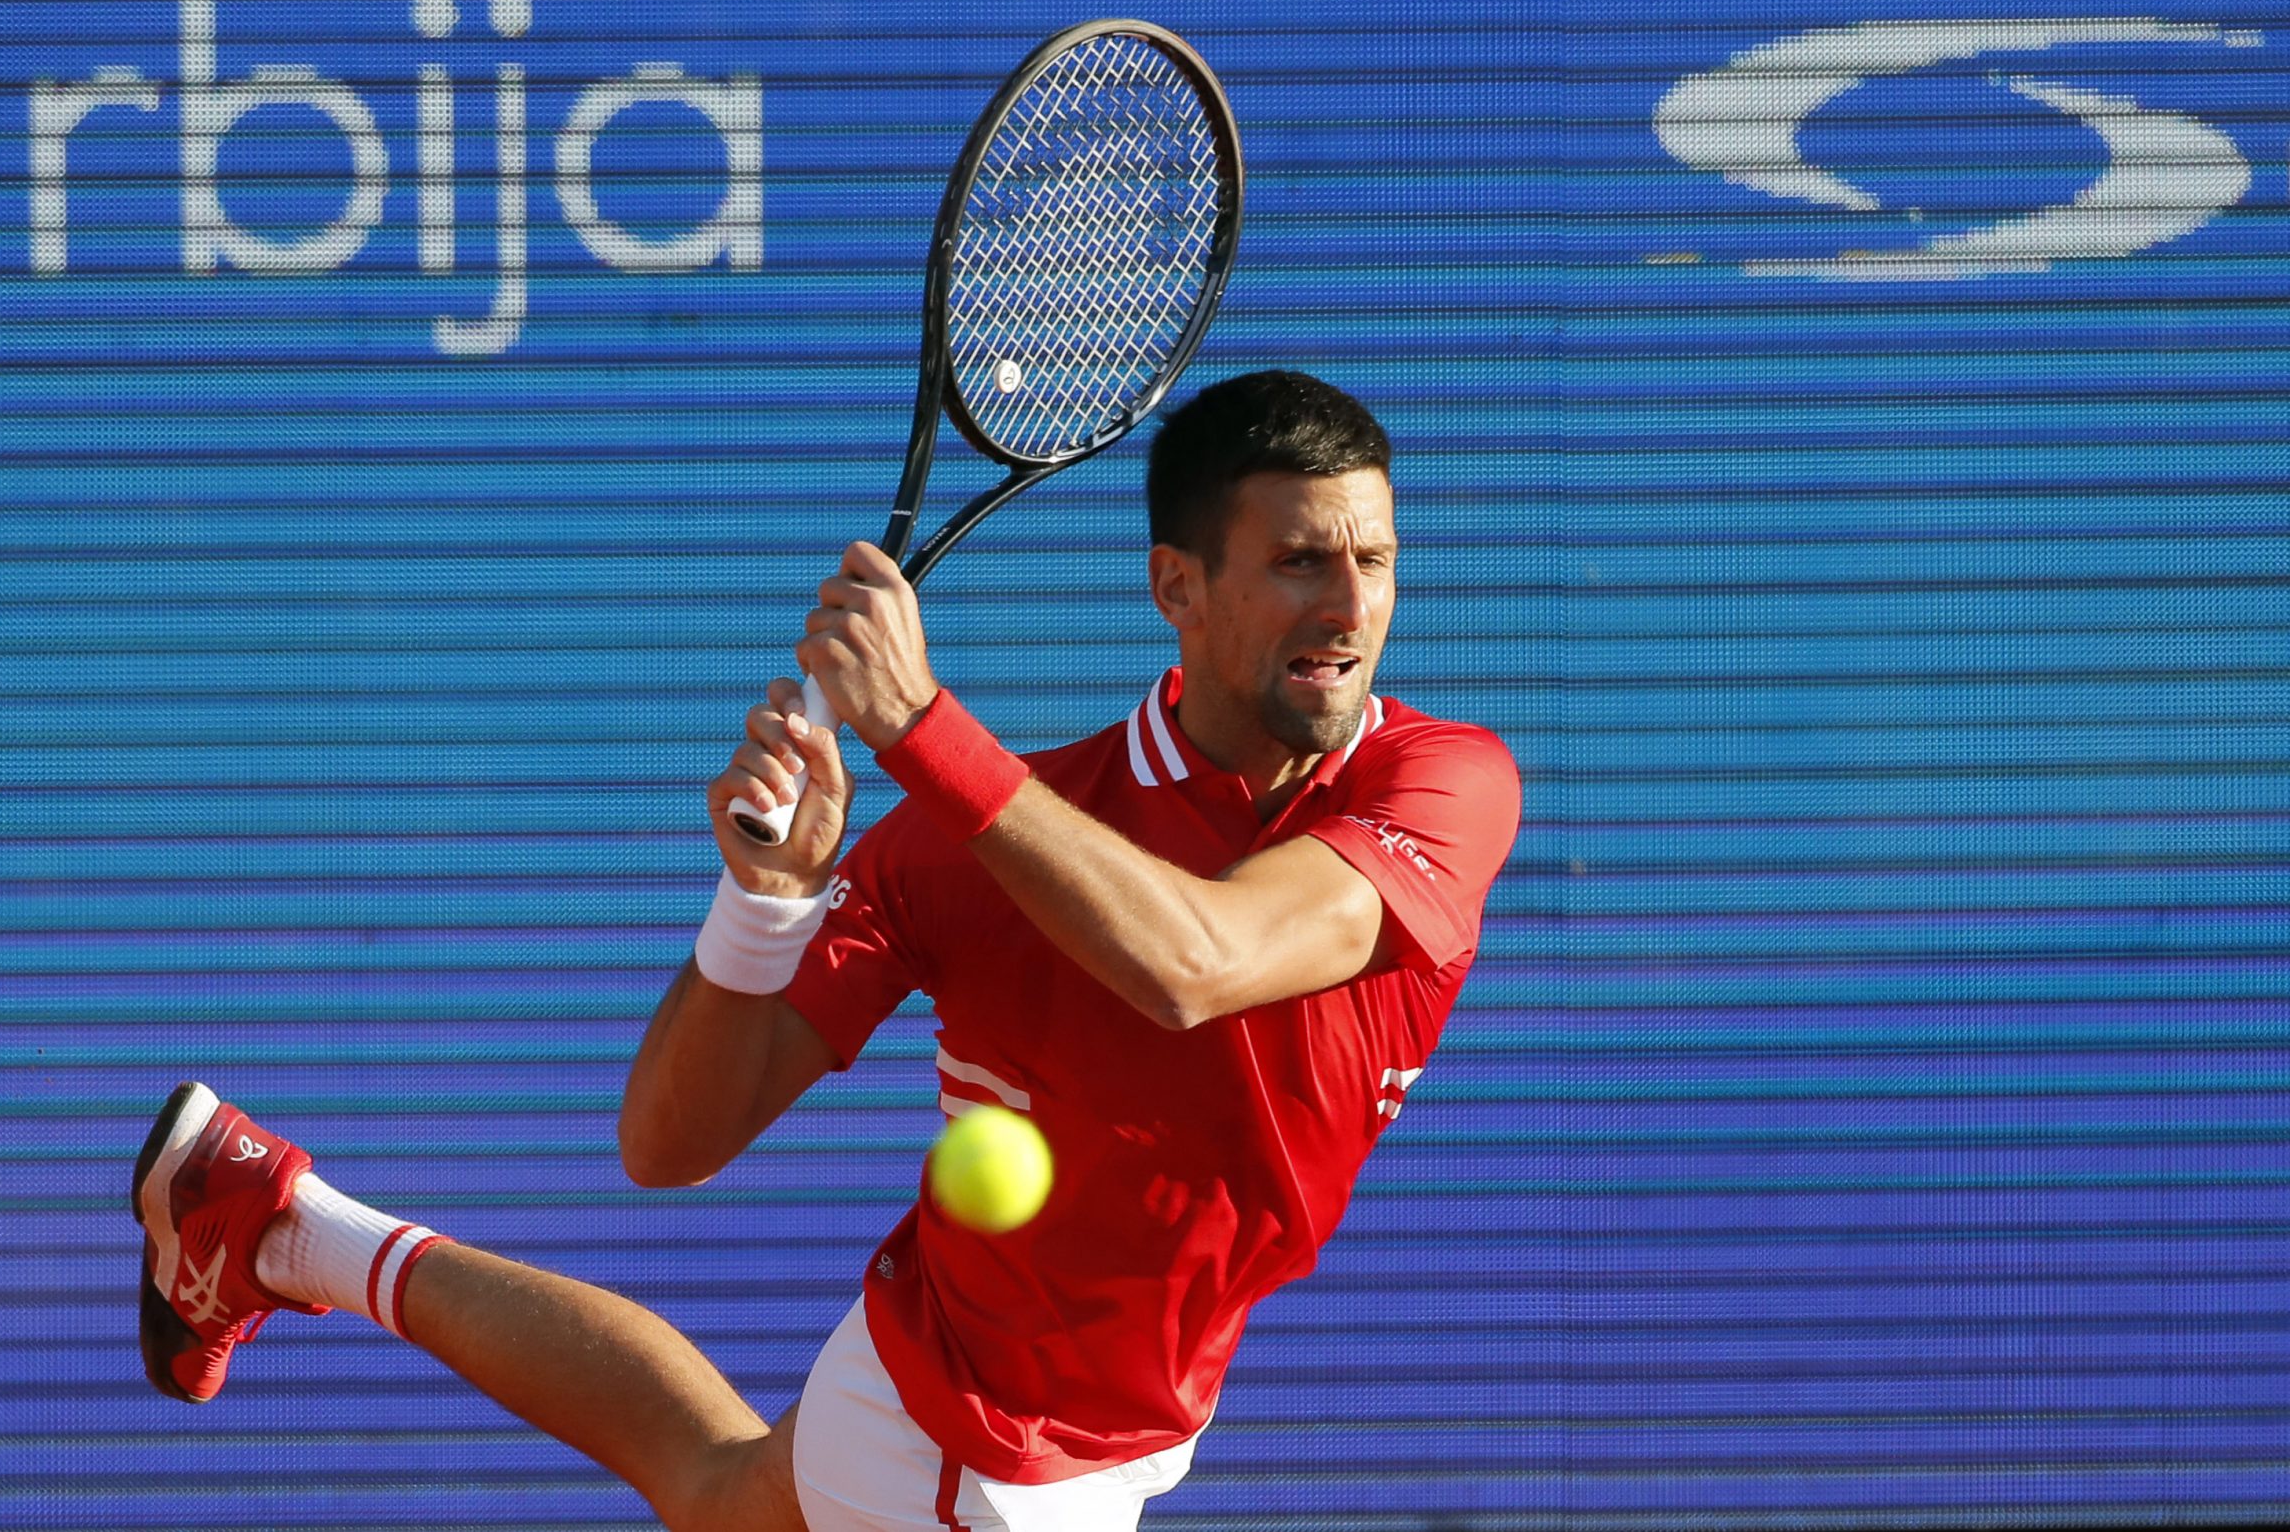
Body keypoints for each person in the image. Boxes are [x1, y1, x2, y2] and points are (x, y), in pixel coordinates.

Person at [132, 369, 1521, 1531]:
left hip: (1121, 1411)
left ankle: (274, 1222)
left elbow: (1197, 961)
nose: (1349, 606)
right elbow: (671, 1140)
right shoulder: (962, 851)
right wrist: (767, 904)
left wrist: (924, 730)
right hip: (987, 1447)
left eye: (1374, 559)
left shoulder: (1439, 783)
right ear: (1179, 586)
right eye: (1299, 561)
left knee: (713, 1485)